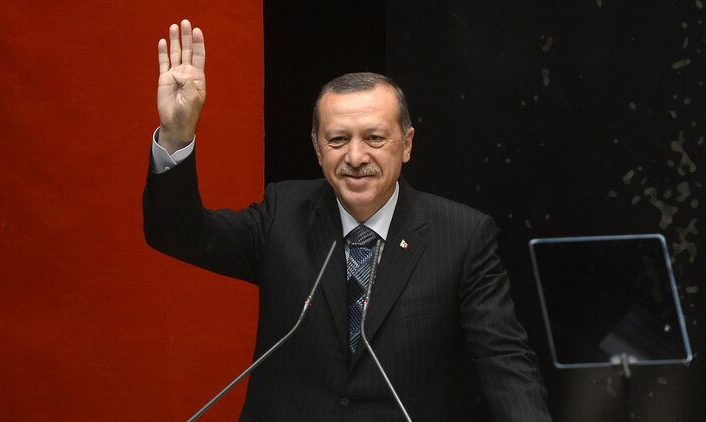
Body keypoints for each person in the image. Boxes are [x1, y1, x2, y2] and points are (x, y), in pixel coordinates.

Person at [144, 19, 552, 421]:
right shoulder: (283, 213)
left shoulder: (461, 235)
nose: (356, 157)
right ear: (317, 147)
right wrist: (176, 136)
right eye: (338, 140)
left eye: (374, 138)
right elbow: (177, 233)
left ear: (406, 144)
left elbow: (503, 359)